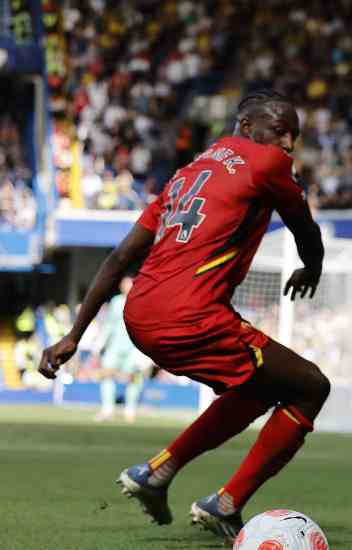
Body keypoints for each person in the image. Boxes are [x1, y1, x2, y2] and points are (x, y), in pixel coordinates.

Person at [38, 89, 329, 541]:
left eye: (295, 136)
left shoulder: (186, 175)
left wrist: (75, 334)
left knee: (259, 388)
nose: (289, 144)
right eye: (281, 131)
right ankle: (226, 503)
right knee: (311, 387)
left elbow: (120, 258)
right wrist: (312, 264)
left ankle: (157, 473)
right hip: (190, 315)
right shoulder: (267, 163)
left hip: (142, 315)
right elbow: (305, 229)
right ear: (248, 127)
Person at [94, 276, 151, 423]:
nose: (126, 286)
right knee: (106, 374)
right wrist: (100, 343)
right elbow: (109, 325)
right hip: (115, 346)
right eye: (124, 284)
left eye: (129, 284)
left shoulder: (141, 302)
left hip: (134, 347)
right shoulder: (116, 301)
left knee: (134, 378)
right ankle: (108, 409)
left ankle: (130, 410)